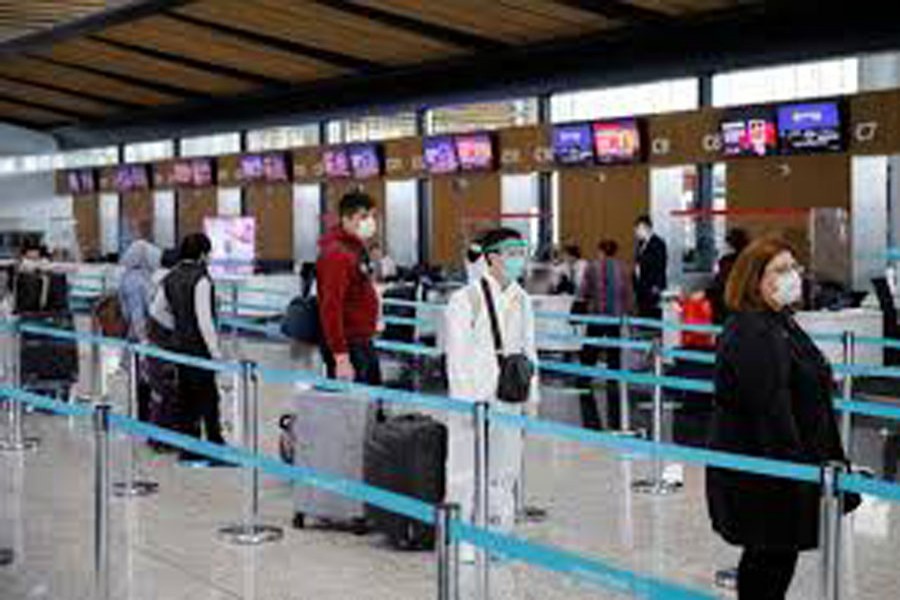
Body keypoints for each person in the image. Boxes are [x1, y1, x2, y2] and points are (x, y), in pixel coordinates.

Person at [706, 235, 860, 600]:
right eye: (780, 269)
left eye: (794, 267)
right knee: (768, 564)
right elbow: (770, 408)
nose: (793, 275)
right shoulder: (755, 330)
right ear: (754, 280)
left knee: (771, 561)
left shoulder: (779, 323)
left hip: (781, 470)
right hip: (769, 476)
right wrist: (799, 474)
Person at [444, 227, 538, 562]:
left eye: (521, 252)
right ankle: (464, 537)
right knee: (465, 470)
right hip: (474, 399)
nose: (518, 259)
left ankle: (499, 533)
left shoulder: (522, 299)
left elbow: (530, 352)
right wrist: (467, 402)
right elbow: (456, 357)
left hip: (509, 396)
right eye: (511, 252)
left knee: (505, 468)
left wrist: (532, 399)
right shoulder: (465, 299)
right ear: (492, 257)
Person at [150, 233, 225, 461]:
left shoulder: (170, 277)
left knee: (186, 398)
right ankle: (215, 446)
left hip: (180, 348)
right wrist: (215, 352)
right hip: (199, 351)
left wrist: (178, 327)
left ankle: (188, 448)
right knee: (209, 398)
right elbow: (205, 321)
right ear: (203, 254)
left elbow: (156, 310)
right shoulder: (201, 279)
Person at [317, 191, 381, 384]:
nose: (369, 222)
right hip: (349, 344)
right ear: (346, 218)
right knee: (355, 409)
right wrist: (341, 356)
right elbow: (331, 307)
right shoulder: (337, 254)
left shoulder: (355, 249)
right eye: (363, 217)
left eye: (372, 216)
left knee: (372, 404)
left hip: (361, 339)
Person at [577, 240, 633, 430]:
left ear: (601, 251)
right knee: (614, 351)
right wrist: (628, 314)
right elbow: (628, 294)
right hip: (615, 317)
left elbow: (584, 291)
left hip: (597, 315)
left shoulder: (592, 267)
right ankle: (613, 379)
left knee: (590, 349)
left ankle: (584, 378)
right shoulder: (623, 268)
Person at [119, 239, 162, 422]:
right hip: (142, 337)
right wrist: (144, 340)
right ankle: (144, 419)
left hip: (137, 335)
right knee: (146, 380)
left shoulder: (132, 277)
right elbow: (137, 313)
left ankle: (144, 416)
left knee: (144, 380)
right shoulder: (137, 281)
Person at [709, 228, 750, 324]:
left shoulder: (727, 262)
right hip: (743, 307)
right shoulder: (749, 260)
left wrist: (707, 293)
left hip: (727, 306)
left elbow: (719, 285)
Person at [633, 215, 668, 319]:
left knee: (651, 316)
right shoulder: (640, 244)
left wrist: (656, 286)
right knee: (643, 315)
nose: (636, 232)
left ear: (646, 228)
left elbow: (660, 266)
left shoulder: (658, 243)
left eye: (637, 229)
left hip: (652, 288)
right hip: (641, 287)